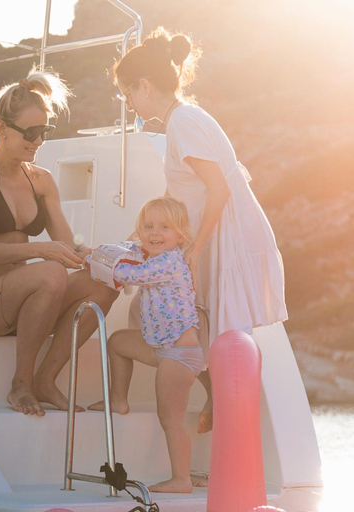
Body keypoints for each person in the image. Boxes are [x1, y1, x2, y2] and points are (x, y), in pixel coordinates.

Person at [113, 28, 288, 435]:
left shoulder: (183, 122)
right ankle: (216, 397)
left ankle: (226, 415)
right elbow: (177, 196)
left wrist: (196, 249)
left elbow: (220, 187)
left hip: (223, 239)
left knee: (210, 326)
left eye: (127, 92)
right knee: (173, 316)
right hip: (212, 236)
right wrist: (132, 240)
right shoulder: (183, 119)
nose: (128, 102)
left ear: (144, 85)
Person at [0, 69, 119, 417]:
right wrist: (40, 250)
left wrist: (109, 256)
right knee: (51, 273)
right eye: (31, 133)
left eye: (45, 132)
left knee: (106, 283)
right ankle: (20, 385)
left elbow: (68, 243)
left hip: (24, 301)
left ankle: (45, 379)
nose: (39, 141)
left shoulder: (42, 180)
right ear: (1, 128)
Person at [87, 197, 204, 493]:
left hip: (179, 355)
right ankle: (118, 400)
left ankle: (182, 479)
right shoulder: (152, 257)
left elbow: (129, 275)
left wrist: (92, 258)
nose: (155, 233)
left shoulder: (169, 261)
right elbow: (130, 256)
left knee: (170, 418)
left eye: (165, 227)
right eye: (148, 226)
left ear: (181, 235)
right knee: (117, 342)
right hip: (160, 347)